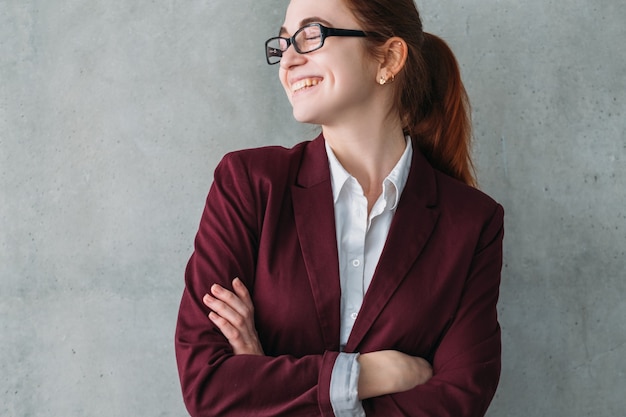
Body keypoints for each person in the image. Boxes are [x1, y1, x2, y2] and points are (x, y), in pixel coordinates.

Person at [175, 0, 504, 415]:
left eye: (312, 34)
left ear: (388, 57)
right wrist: (370, 375)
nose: (288, 60)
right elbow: (209, 388)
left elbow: (458, 403)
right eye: (283, 42)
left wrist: (264, 378)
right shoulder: (248, 184)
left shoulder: (472, 224)